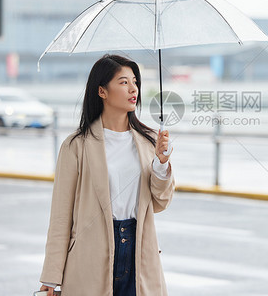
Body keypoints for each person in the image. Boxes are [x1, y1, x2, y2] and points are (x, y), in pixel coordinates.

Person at [38, 54, 174, 296]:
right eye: (123, 82)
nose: (134, 89)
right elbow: (61, 217)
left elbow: (160, 202)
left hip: (139, 253)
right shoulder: (76, 146)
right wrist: (51, 276)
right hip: (90, 258)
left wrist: (161, 163)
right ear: (102, 91)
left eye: (135, 81)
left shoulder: (148, 142)